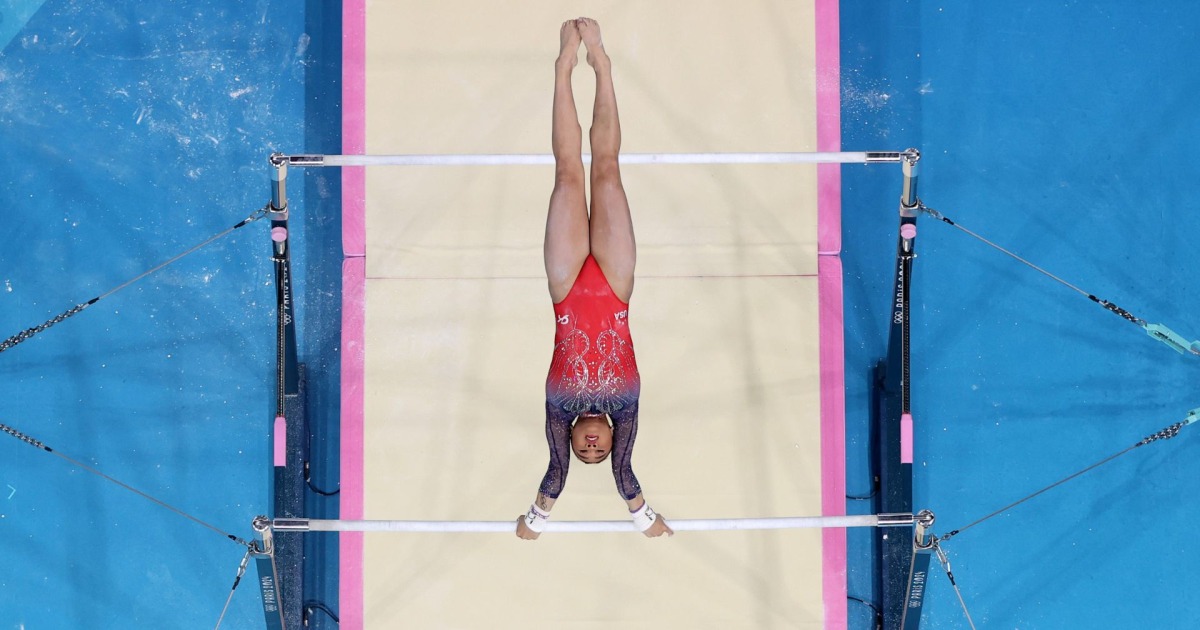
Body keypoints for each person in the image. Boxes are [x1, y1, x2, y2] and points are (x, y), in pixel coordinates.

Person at [516, 18, 673, 540]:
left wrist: (534, 520)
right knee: (606, 169)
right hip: (615, 285)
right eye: (597, 450)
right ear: (608, 437)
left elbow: (555, 473)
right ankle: (602, 67)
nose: (590, 449)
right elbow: (625, 474)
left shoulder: (557, 408)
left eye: (585, 451)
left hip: (565, 290)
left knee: (567, 171)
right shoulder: (625, 407)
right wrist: (643, 518)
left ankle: (563, 70)